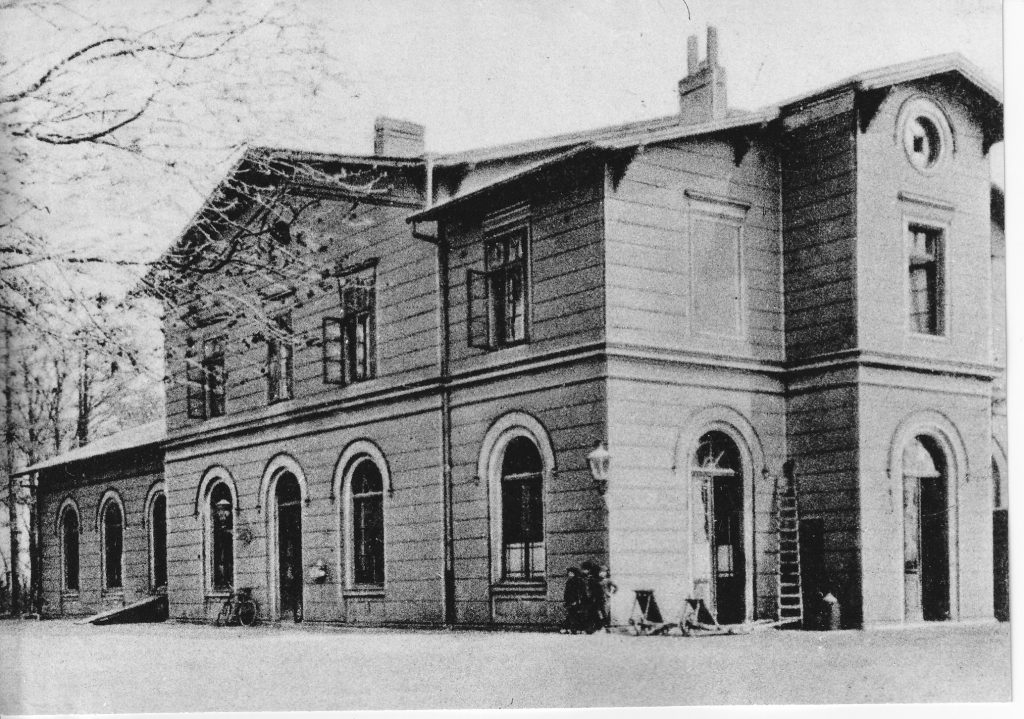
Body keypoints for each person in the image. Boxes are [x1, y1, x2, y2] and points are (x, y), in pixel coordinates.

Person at [580, 561, 604, 634]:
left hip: (594, 599)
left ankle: (597, 628)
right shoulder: (586, 578)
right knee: (590, 614)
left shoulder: (593, 579)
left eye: (585, 569)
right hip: (588, 599)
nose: (583, 571)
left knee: (593, 613)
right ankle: (592, 628)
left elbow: (596, 590)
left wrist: (594, 598)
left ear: (589, 570)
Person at [561, 566, 587, 634]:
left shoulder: (579, 581)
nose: (569, 574)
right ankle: (570, 628)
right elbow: (566, 593)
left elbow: (581, 592)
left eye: (571, 573)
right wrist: (567, 601)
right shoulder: (569, 582)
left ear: (574, 573)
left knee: (576, 615)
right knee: (571, 615)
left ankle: (577, 629)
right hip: (570, 601)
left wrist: (578, 601)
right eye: (569, 573)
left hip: (577, 601)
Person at [598, 565, 617, 632]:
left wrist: (611, 593)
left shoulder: (608, 580)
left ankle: (607, 626)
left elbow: (615, 587)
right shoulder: (598, 581)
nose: (601, 573)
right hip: (600, 598)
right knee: (600, 612)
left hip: (606, 599)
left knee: (606, 612)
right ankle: (602, 625)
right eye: (600, 572)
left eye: (603, 572)